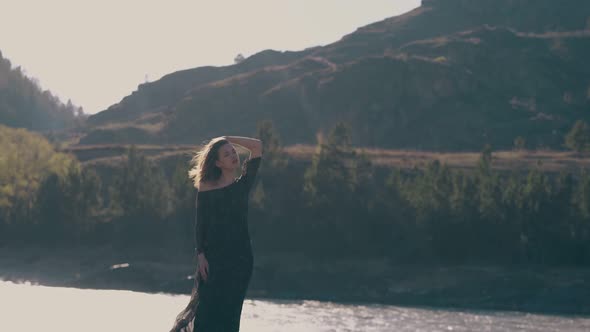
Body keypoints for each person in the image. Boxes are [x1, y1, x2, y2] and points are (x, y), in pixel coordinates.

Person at [170, 135, 263, 332]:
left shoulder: (243, 184)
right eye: (226, 154)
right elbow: (201, 223)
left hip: (240, 260)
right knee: (205, 312)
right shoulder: (207, 186)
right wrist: (201, 254)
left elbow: (257, 147)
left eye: (233, 151)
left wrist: (227, 138)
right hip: (213, 258)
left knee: (230, 313)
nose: (233, 155)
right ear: (218, 163)